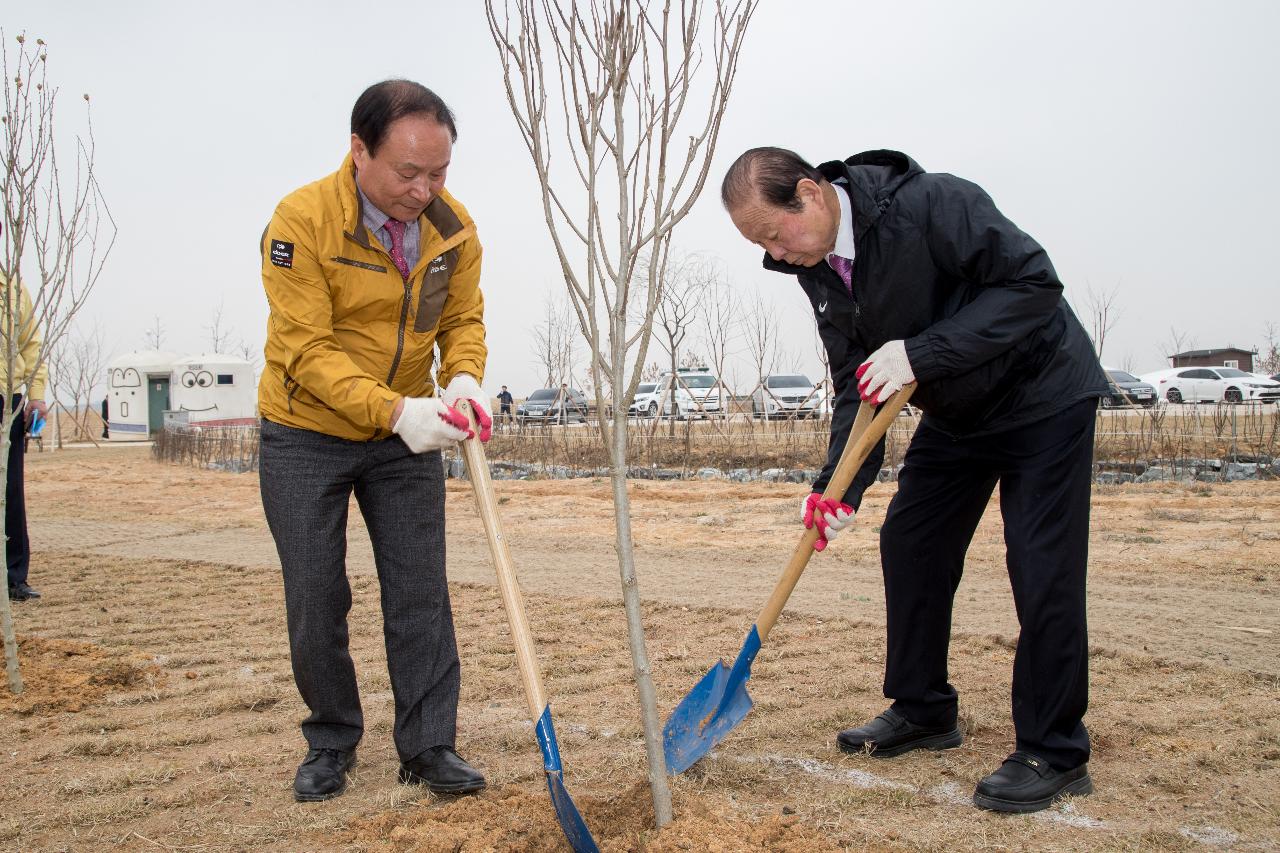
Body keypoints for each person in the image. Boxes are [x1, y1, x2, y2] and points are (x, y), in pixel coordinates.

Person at [722, 147, 1108, 814]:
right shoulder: (818, 270)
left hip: (1043, 392)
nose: (777, 255)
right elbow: (856, 385)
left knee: (1041, 563)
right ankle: (924, 708)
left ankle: (1054, 748)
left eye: (775, 235)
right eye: (761, 245)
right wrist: (837, 486)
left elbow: (1034, 285)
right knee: (911, 540)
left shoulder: (930, 205)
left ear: (811, 195)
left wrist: (919, 353)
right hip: (960, 411)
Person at [258, 80, 493, 803]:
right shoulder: (300, 223)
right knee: (316, 596)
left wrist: (462, 379)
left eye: (439, 172)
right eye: (407, 172)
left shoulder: (454, 231)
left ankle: (428, 745)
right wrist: (395, 410)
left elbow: (463, 320)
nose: (424, 189)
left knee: (420, 593)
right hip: (307, 432)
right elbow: (308, 350)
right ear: (358, 151)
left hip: (406, 436)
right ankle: (331, 740)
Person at [0, 247, 47, 602]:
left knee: (10, 491)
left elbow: (31, 344)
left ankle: (14, 577)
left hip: (6, 401)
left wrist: (35, 394)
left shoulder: (12, 287)